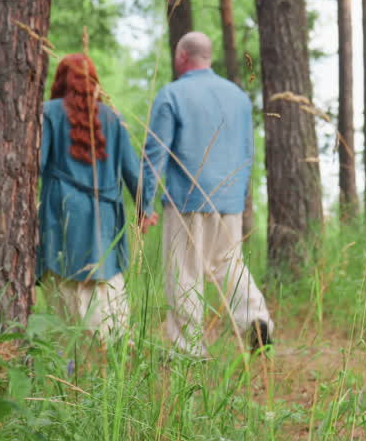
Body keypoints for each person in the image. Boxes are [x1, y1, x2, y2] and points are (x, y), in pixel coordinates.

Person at [145, 31, 273, 357]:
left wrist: (144, 204)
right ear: (209, 57)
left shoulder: (171, 94)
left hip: (186, 199)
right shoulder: (239, 97)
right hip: (229, 201)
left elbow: (154, 154)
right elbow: (247, 152)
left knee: (184, 271)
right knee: (229, 264)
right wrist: (239, 198)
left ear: (182, 57)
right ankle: (256, 318)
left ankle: (188, 348)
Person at [38, 53, 155, 340]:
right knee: (105, 278)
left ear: (61, 80)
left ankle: (70, 351)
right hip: (104, 214)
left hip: (61, 210)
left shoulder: (48, 112)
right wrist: (145, 209)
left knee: (64, 280)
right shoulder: (113, 117)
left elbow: (35, 165)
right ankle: (112, 340)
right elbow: (132, 170)